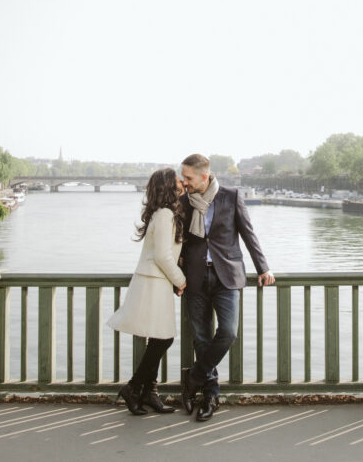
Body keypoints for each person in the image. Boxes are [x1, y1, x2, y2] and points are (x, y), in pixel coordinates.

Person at [178, 153, 274, 422]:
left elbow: (247, 233)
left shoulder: (230, 196)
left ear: (204, 176)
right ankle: (211, 394)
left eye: (188, 178)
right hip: (194, 277)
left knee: (228, 332)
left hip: (227, 277)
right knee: (201, 338)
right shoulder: (184, 203)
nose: (184, 183)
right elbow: (179, 240)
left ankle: (194, 377)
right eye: (183, 177)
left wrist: (263, 267)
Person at [106, 167, 188, 415]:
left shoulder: (160, 213)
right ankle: (134, 387)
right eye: (177, 181)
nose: (182, 183)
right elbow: (162, 255)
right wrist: (181, 279)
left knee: (159, 337)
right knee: (164, 338)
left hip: (155, 282)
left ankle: (149, 392)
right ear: (169, 187)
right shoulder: (164, 214)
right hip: (155, 282)